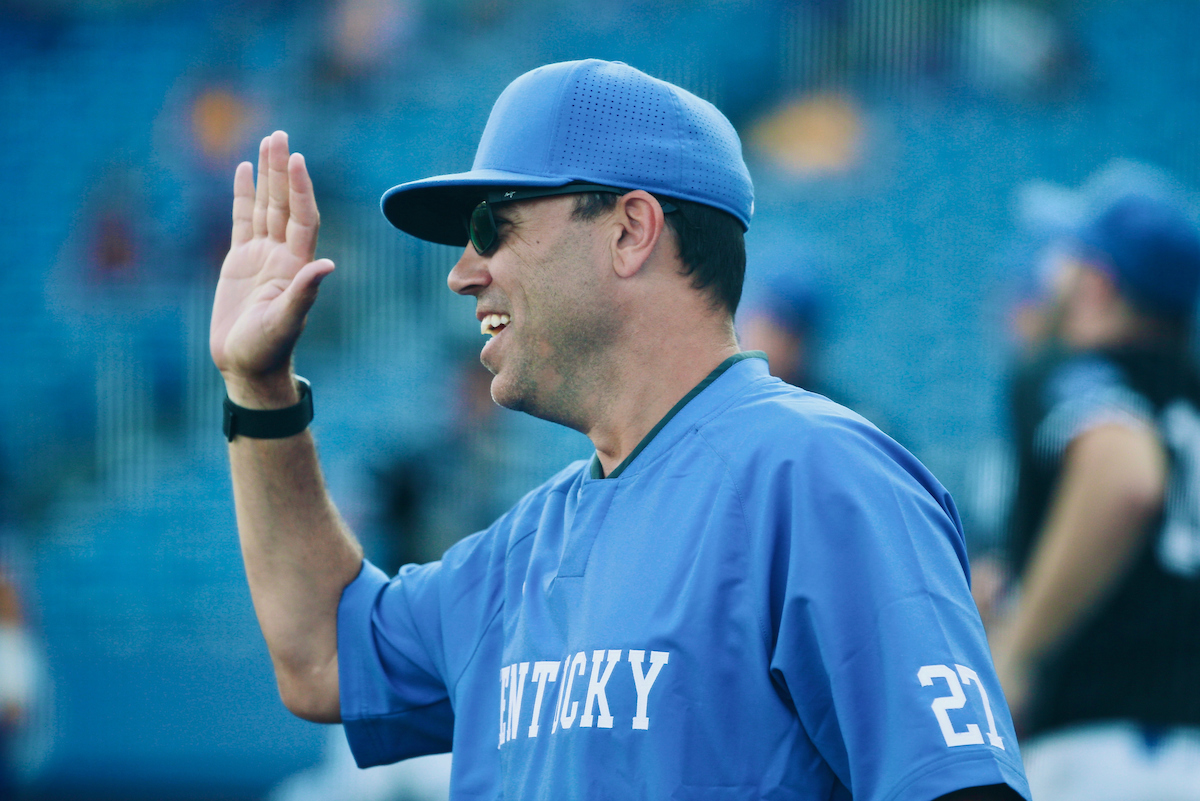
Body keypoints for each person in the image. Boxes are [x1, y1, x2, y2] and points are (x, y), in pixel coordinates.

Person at [209, 59, 1028, 800]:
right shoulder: (524, 547)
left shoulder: (820, 476)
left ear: (631, 230)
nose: (462, 272)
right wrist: (259, 387)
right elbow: (323, 657)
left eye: (495, 223)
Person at [990, 191, 1200, 799]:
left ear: (1098, 285)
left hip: (1101, 749)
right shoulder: (1187, 393)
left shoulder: (1083, 372)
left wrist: (1019, 651)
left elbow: (1125, 477)